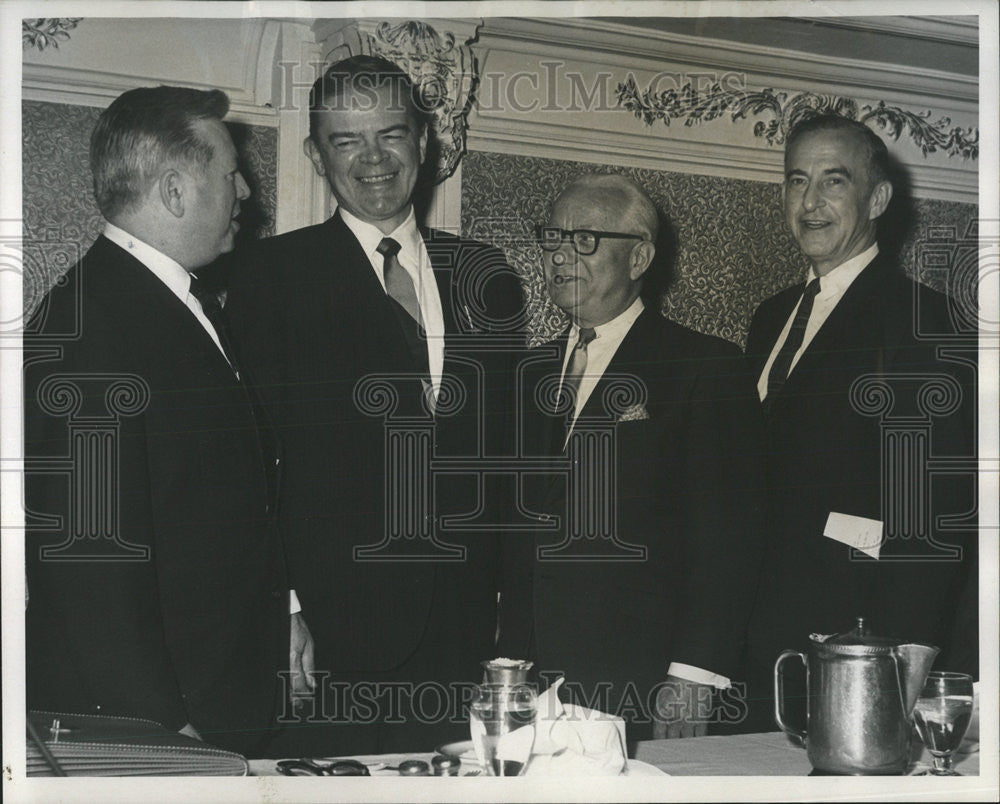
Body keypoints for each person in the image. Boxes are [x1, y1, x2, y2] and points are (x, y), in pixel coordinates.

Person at [225, 55, 525, 754]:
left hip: (464, 633)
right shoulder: (270, 277)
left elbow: (507, 462)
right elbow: (248, 464)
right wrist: (286, 610)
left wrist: (515, 620)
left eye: (391, 134)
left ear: (424, 141)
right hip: (331, 637)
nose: (374, 160)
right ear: (314, 153)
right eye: (346, 140)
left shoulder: (489, 277)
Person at [23, 86, 314, 758]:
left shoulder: (171, 302)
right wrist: (159, 732)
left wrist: (284, 612)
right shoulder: (92, 330)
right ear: (177, 189)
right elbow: (91, 563)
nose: (243, 191)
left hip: (217, 691)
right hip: (161, 721)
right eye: (229, 171)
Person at [497, 174, 766, 748]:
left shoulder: (703, 368)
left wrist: (695, 673)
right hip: (531, 678)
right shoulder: (528, 373)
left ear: (639, 256)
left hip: (645, 679)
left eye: (585, 240)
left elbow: (729, 539)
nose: (561, 256)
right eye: (551, 238)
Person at [741, 114, 977, 732]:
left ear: (877, 199)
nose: (810, 202)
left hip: (858, 643)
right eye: (796, 181)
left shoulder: (921, 320)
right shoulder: (769, 318)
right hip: (757, 641)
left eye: (833, 181)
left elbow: (936, 507)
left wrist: (910, 656)